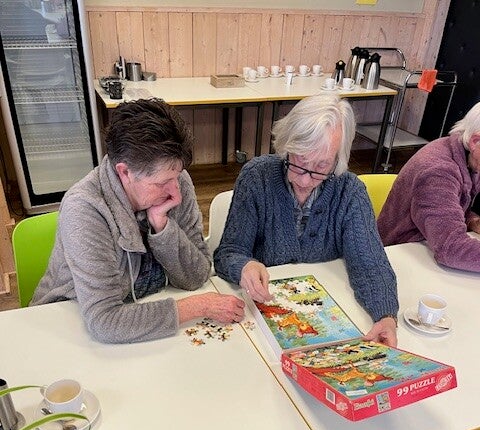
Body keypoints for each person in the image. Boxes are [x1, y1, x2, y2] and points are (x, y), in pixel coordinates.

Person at [31, 98, 244, 343]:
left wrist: (163, 228)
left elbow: (197, 276)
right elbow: (105, 321)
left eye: (177, 175)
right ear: (125, 172)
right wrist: (197, 307)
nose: (175, 192)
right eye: (162, 183)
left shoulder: (177, 179)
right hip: (67, 325)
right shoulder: (84, 208)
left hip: (143, 317)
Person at [214, 94, 399, 347]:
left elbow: (370, 264)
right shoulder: (256, 177)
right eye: (299, 162)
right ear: (287, 146)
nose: (303, 180)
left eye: (321, 167)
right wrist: (244, 266)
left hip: (323, 316)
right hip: (261, 317)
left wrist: (386, 316)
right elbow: (228, 253)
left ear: (337, 161)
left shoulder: (350, 192)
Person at [377, 101, 480, 272]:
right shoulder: (438, 171)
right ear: (475, 141)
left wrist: (472, 220)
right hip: (398, 257)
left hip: (427, 248)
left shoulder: (469, 157)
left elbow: (451, 206)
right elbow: (451, 248)